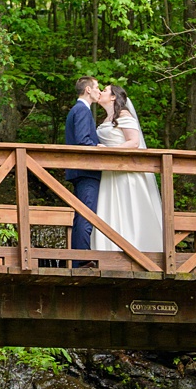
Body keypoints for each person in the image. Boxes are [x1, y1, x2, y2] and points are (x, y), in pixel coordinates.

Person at [94, 85, 165, 264]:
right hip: (110, 173)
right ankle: (109, 251)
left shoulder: (124, 116)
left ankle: (138, 250)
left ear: (113, 97)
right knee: (110, 209)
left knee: (128, 210)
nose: (101, 92)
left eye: (105, 90)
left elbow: (133, 143)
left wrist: (109, 150)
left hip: (126, 173)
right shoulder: (107, 118)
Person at [63, 75, 105, 265]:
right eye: (97, 88)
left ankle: (79, 257)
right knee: (86, 214)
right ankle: (82, 260)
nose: (99, 91)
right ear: (88, 90)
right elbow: (82, 140)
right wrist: (99, 148)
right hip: (85, 170)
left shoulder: (78, 110)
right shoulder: (82, 110)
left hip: (81, 170)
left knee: (83, 214)